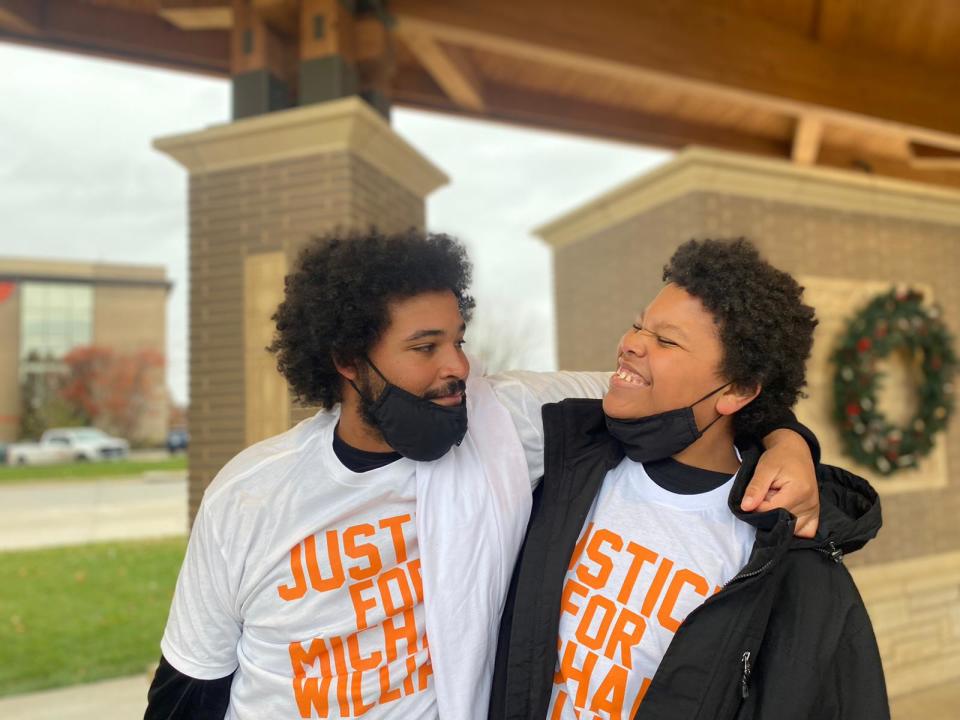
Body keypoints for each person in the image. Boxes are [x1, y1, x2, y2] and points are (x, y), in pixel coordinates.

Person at [145, 230, 823, 720]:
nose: (458, 366)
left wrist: (787, 440)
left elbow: (676, 395)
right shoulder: (251, 491)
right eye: (425, 347)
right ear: (350, 359)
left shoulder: (508, 421)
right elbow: (190, 688)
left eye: (459, 339)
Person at [488, 238, 888, 720]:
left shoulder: (786, 559)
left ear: (737, 390)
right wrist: (788, 436)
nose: (631, 342)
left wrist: (786, 439)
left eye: (667, 340)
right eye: (639, 325)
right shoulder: (566, 453)